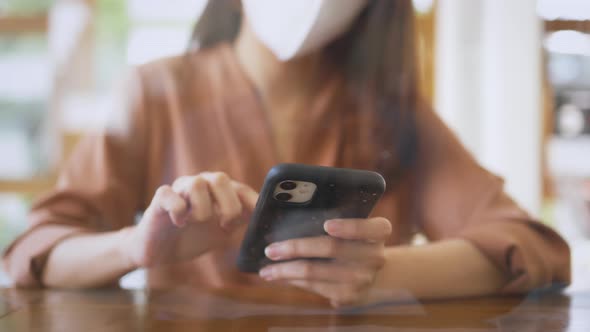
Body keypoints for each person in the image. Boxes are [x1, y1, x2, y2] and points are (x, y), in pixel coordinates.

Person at [2, 0, 570, 307]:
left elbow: (532, 246)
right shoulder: (156, 91)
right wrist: (134, 247)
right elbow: (38, 251)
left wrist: (386, 273)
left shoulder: (396, 113)